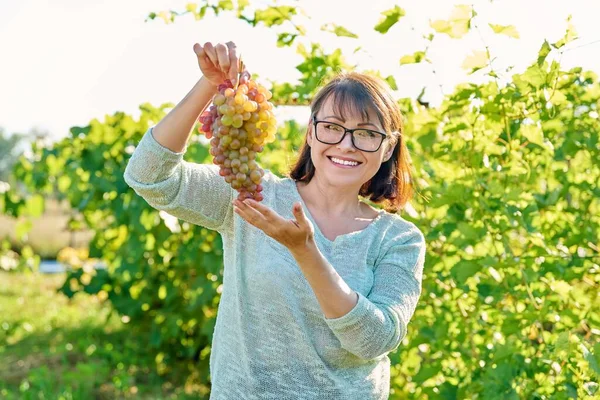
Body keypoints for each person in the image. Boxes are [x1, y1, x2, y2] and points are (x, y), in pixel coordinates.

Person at [124, 40, 426, 400]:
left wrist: (305, 252)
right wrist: (210, 84)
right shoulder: (254, 195)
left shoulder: (398, 239)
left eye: (366, 134)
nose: (346, 144)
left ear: (388, 147)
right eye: (332, 127)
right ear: (312, 132)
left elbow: (374, 340)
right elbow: (148, 175)